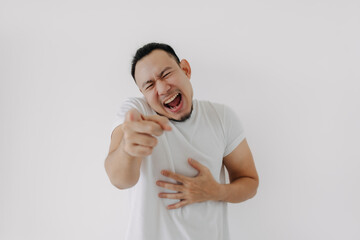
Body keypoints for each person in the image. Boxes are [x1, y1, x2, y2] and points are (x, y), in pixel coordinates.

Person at [104, 42, 259, 240]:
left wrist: (216, 191)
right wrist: (128, 148)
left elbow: (250, 182)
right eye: (149, 85)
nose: (161, 88)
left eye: (166, 74)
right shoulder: (137, 112)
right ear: (143, 94)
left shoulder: (221, 117)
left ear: (185, 69)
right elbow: (120, 179)